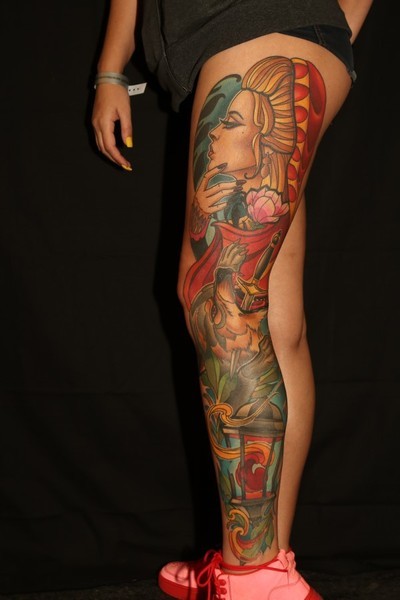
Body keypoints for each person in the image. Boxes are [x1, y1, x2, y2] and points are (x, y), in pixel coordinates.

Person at [91, 1, 374, 598]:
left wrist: (323, 18)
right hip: (265, 33)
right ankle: (266, 570)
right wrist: (113, 69)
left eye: (230, 125)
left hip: (257, 24)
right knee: (273, 320)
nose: (218, 133)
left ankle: (250, 575)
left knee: (220, 301)